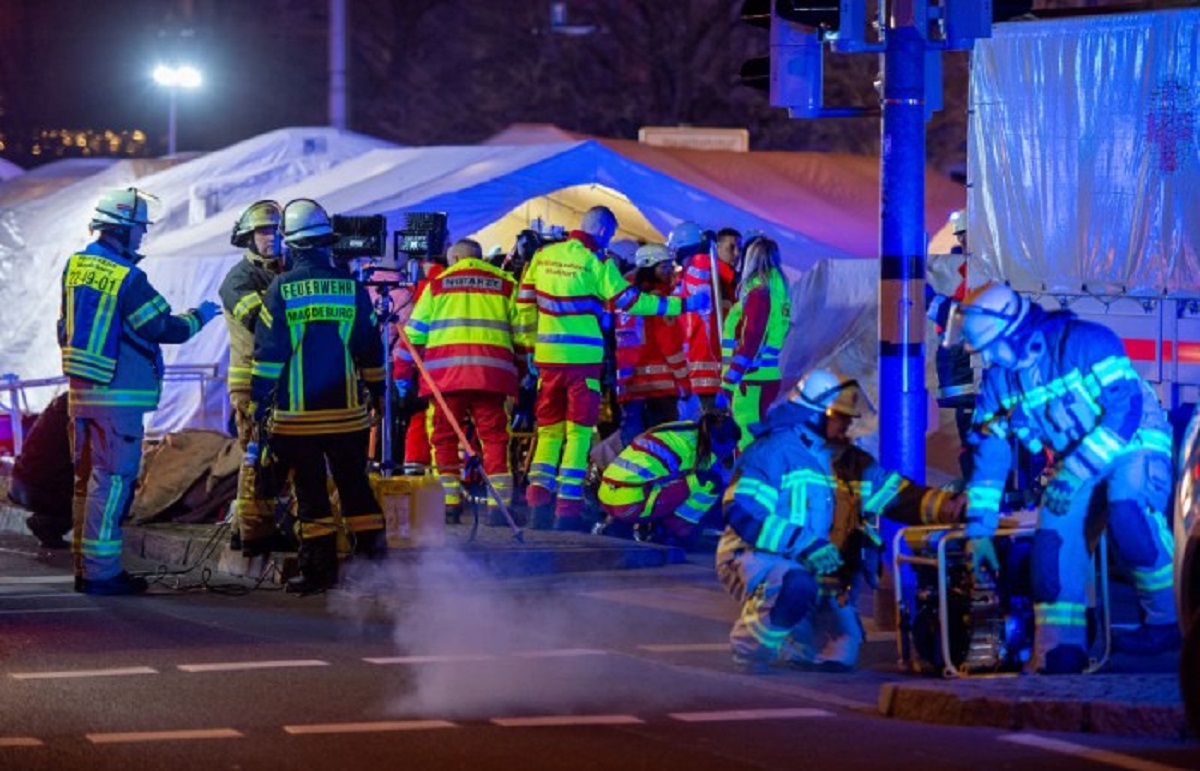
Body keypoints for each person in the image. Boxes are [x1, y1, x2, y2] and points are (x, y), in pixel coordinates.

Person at [952, 281, 1179, 672]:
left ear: (1016, 331)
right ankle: (1060, 650)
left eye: (992, 347)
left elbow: (1124, 412)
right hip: (1077, 457)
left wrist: (1073, 474)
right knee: (1053, 540)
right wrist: (978, 533)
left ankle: (1168, 620)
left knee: (1128, 510)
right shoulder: (997, 382)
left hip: (1135, 438)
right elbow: (989, 462)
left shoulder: (1086, 343)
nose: (988, 358)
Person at [717, 369, 965, 673]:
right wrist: (803, 543)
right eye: (840, 416)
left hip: (817, 565)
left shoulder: (850, 462)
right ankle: (750, 650)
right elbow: (743, 512)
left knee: (842, 648)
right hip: (757, 556)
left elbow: (899, 496)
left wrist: (949, 507)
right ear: (814, 413)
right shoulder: (771, 452)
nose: (848, 423)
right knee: (795, 586)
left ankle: (796, 636)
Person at [58, 187, 220, 595]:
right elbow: (163, 327)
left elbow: (64, 325)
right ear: (124, 230)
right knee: (112, 484)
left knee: (87, 482)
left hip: (81, 395)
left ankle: (86, 565)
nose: (142, 238)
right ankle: (101, 574)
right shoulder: (127, 277)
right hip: (119, 398)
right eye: (140, 231)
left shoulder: (75, 266)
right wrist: (201, 315)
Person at [515, 206, 710, 531]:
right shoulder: (598, 262)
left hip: (548, 361)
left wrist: (531, 350)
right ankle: (567, 511)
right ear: (604, 231)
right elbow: (633, 302)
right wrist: (685, 304)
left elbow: (523, 306)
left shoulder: (543, 256)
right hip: (583, 364)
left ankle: (537, 506)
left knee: (548, 431)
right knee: (577, 434)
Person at [251, 198, 386, 595]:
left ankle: (319, 572)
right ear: (328, 242)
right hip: (348, 416)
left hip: (298, 419)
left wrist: (259, 405)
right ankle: (375, 570)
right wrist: (377, 393)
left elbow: (268, 356)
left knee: (311, 496)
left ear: (291, 245)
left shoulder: (282, 288)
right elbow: (370, 349)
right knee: (355, 487)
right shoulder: (352, 288)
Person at [396, 238, 522, 526]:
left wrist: (402, 376)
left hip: (446, 377)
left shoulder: (438, 284)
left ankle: (449, 505)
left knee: (444, 438)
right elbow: (522, 333)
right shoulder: (504, 283)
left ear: (454, 259)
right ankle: (498, 509)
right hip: (491, 375)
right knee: (494, 439)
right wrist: (522, 370)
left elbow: (413, 335)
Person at [219, 199, 290, 556]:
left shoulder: (283, 270)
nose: (271, 237)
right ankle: (254, 533)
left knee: (272, 454)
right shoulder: (238, 280)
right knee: (255, 453)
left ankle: (242, 528)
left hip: (280, 379)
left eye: (277, 230)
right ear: (248, 236)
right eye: (263, 231)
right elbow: (264, 325)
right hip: (250, 381)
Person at [597, 410, 740, 546]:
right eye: (730, 447)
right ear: (718, 440)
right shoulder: (694, 450)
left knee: (680, 482)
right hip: (629, 503)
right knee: (709, 483)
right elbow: (717, 485)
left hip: (606, 496)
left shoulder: (681, 430)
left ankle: (624, 522)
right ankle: (676, 533)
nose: (728, 454)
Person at [718, 236, 790, 448]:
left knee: (748, 443)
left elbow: (750, 341)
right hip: (761, 376)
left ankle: (749, 481)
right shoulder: (776, 290)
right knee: (756, 440)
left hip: (750, 379)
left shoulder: (759, 293)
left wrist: (729, 382)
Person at [614, 243, 689, 447]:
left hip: (629, 386)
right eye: (664, 267)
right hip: (660, 389)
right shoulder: (660, 300)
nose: (669, 273)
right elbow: (670, 344)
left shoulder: (624, 298)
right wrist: (684, 381)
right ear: (649, 268)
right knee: (663, 445)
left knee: (632, 446)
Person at [671, 223, 739, 420]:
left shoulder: (699, 271)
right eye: (731, 247)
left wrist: (702, 255)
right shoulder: (694, 273)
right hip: (701, 372)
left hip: (703, 372)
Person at [926, 208, 975, 477]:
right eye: (960, 238)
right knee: (969, 440)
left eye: (966, 237)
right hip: (962, 375)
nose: (962, 243)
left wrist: (932, 303)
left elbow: (971, 319)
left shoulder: (984, 271)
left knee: (977, 440)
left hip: (972, 374)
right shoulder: (969, 270)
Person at [8, 393, 73, 548]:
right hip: (38, 488)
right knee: (96, 499)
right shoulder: (78, 416)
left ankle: (49, 521)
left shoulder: (58, 409)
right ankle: (48, 524)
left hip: (22, 481)